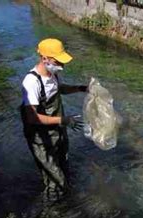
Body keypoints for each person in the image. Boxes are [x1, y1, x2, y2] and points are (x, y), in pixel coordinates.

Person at [21, 38, 87, 202]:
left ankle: (65, 199)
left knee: (64, 167)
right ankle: (52, 212)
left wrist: (81, 88)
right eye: (58, 61)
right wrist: (63, 120)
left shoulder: (52, 74)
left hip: (58, 133)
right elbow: (32, 117)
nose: (62, 66)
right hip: (41, 139)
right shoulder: (31, 82)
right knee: (55, 180)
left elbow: (59, 89)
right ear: (45, 59)